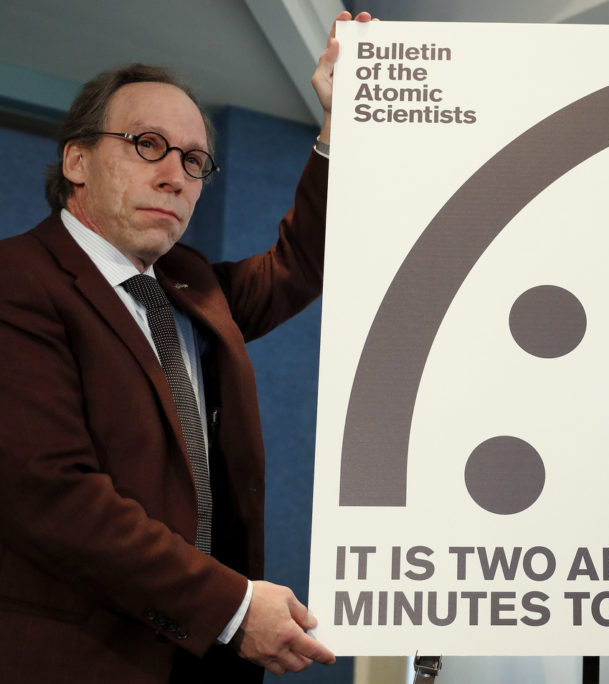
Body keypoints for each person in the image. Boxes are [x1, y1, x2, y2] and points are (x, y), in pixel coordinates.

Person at [0, 10, 373, 683]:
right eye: (148, 144)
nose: (176, 174)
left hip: (203, 658)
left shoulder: (188, 283)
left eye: (194, 159)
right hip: (87, 659)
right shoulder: (17, 283)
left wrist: (338, 131)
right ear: (77, 161)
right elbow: (51, 496)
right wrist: (233, 607)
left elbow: (297, 265)